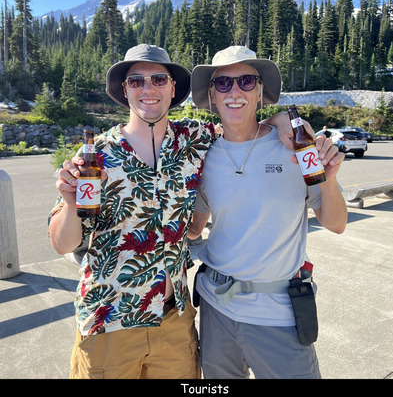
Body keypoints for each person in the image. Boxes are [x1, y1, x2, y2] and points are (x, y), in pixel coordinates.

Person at [48, 44, 293, 379]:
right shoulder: (97, 154)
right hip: (110, 323)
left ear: (173, 88)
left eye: (159, 79)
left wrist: (283, 119)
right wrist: (69, 201)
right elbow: (62, 244)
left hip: (174, 321)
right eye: (137, 81)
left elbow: (243, 121)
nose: (148, 89)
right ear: (125, 89)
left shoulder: (193, 139)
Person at [188, 45, 348, 379]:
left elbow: (336, 224)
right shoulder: (203, 154)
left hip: (279, 314)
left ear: (260, 92)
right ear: (212, 96)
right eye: (223, 83)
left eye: (246, 81)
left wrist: (330, 181)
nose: (234, 92)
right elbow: (193, 229)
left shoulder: (294, 146)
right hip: (216, 308)